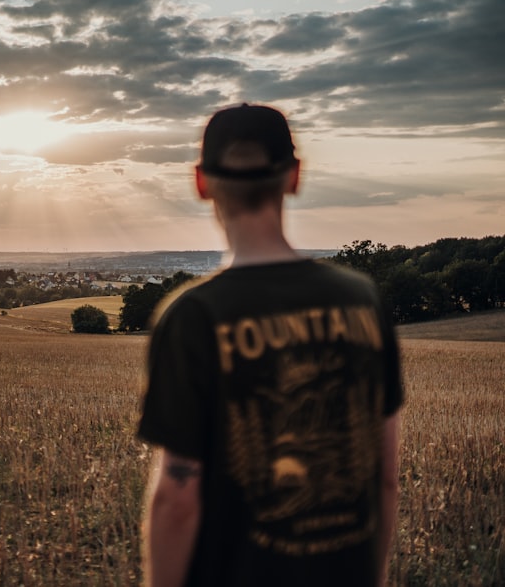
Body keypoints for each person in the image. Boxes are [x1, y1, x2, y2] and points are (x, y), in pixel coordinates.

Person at [137, 103, 403, 587]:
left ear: (201, 183)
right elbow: (385, 475)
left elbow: (178, 500)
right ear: (294, 176)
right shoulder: (362, 299)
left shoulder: (193, 317)